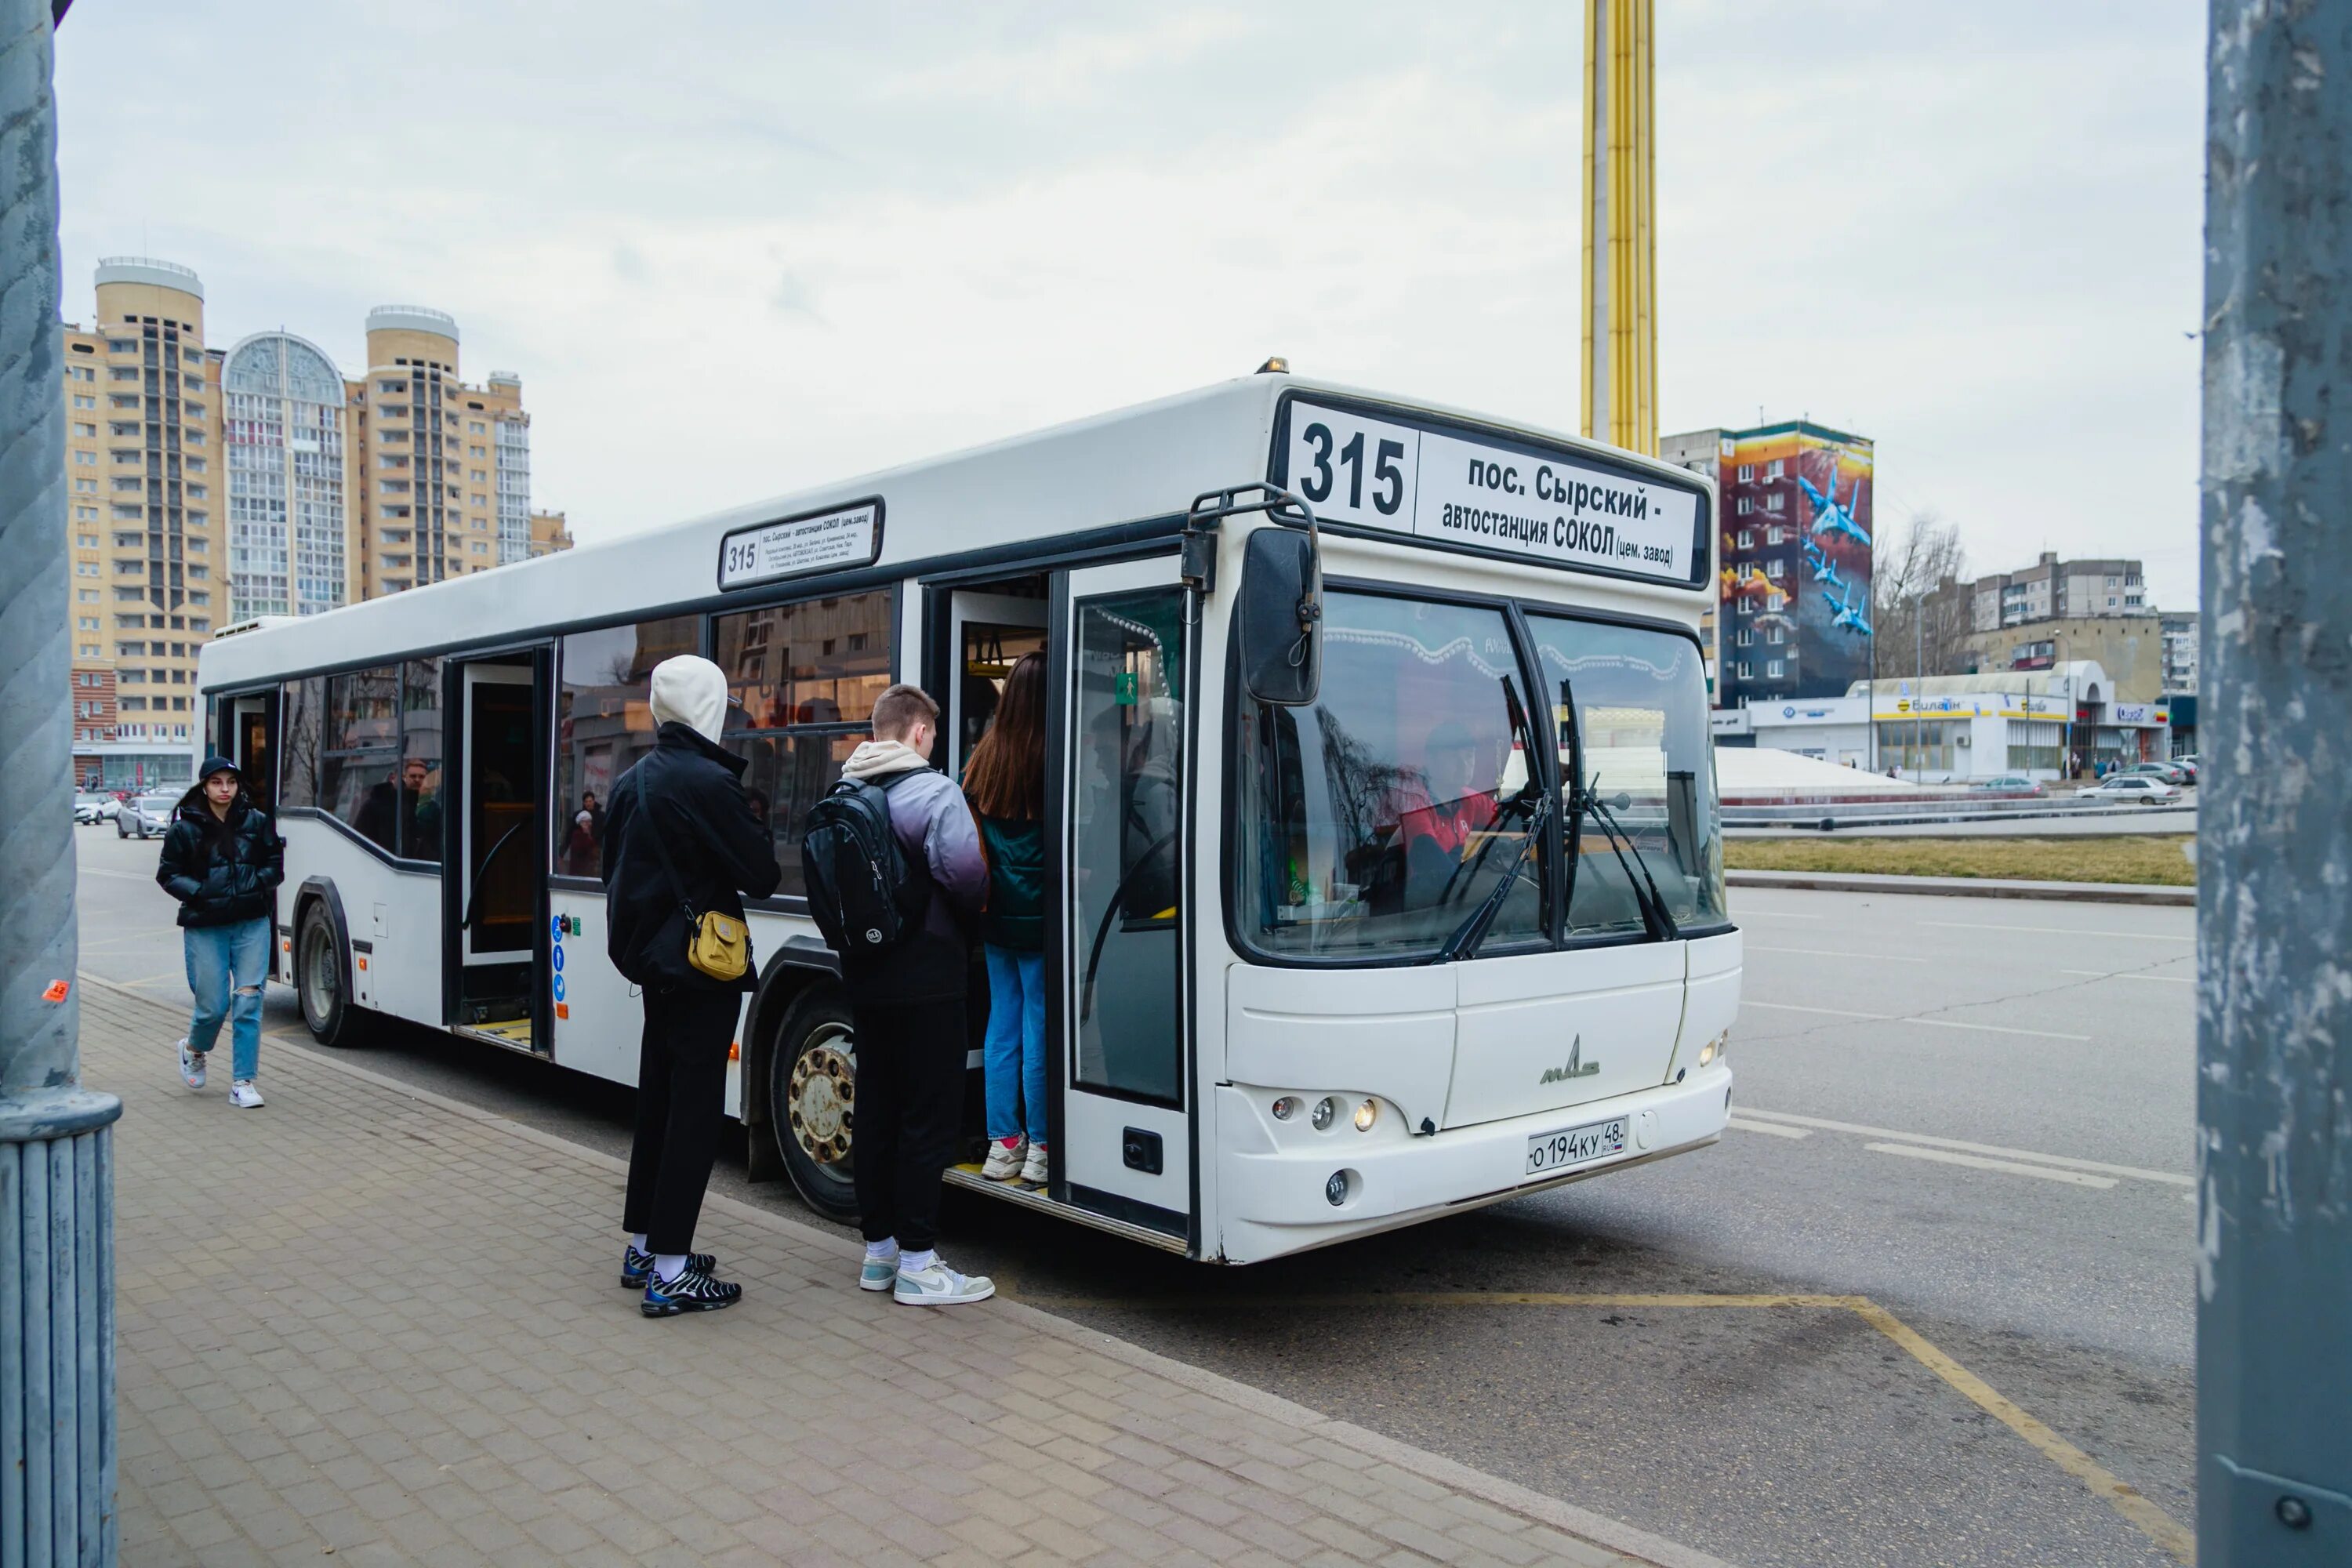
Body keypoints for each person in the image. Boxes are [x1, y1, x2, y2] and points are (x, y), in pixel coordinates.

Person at [603, 657, 781, 1316]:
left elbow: (612, 875)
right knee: (696, 1115)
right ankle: (672, 1272)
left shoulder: (631, 781)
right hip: (701, 969)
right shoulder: (708, 781)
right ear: (710, 708)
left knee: (659, 1104)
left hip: (651, 967)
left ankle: (647, 1246)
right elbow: (760, 872)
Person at [836, 683, 993, 1305]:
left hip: (865, 975)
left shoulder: (847, 790)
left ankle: (879, 1255)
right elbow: (965, 875)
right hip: (927, 976)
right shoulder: (933, 791)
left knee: (876, 1109)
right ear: (921, 732)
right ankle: (921, 1265)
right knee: (927, 1116)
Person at [962, 653, 1048, 1185]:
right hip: (1043, 915)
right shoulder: (1055, 753)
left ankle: (1004, 1143)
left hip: (996, 912)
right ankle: (1042, 1146)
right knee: (1040, 1026)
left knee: (1003, 1025)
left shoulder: (985, 755)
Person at [156, 757, 285, 1108]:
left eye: (231, 782)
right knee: (213, 1006)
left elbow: (275, 863)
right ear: (204, 787)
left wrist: (257, 884)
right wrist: (199, 893)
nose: (225, 789)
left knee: (248, 1000)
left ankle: (243, 1082)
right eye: (216, 782)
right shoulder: (184, 829)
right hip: (205, 925)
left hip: (251, 922)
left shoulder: (257, 822)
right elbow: (168, 874)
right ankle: (194, 1048)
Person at [1396, 721, 1498, 909]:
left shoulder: (1469, 798)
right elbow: (1427, 856)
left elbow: (1508, 817)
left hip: (1449, 898)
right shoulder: (1416, 801)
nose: (1464, 765)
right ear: (1431, 760)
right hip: (1420, 907)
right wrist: (1469, 890)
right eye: (1454, 758)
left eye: (1469, 757)